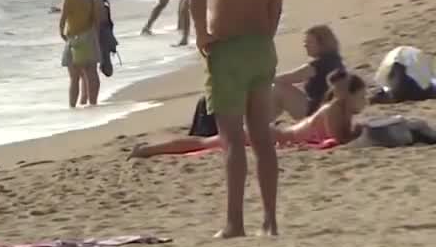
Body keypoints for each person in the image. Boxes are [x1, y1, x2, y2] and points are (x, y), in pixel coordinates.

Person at [190, 0, 285, 237]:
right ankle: (271, 220)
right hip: (262, 46)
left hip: (228, 49)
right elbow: (276, 4)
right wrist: (266, 36)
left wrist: (202, 35)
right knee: (262, 137)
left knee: (232, 140)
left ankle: (234, 223)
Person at [131, 70, 363, 158]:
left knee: (206, 142)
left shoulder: (341, 111)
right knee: (203, 143)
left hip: (272, 135)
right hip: (269, 136)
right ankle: (147, 150)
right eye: (361, 96)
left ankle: (148, 149)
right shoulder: (333, 109)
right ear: (349, 96)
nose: (365, 101)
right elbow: (339, 139)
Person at [272, 25, 344, 119]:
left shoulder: (321, 64)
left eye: (309, 42)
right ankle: (262, 124)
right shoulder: (334, 59)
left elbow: (291, 77)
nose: (305, 45)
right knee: (278, 89)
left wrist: (264, 80)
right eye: (305, 42)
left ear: (322, 43)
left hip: (322, 114)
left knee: (279, 88)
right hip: (331, 112)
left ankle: (260, 125)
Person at [59, 0, 102, 108]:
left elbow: (63, 18)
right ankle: (93, 103)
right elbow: (97, 22)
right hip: (89, 38)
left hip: (73, 40)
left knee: (74, 78)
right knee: (91, 73)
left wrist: (62, 33)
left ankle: (72, 106)